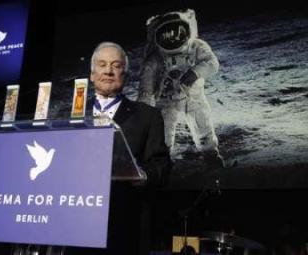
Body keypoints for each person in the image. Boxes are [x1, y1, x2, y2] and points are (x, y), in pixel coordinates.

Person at [67, 42, 171, 255]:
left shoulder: (147, 116)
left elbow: (161, 165)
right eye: (102, 65)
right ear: (92, 75)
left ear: (125, 74)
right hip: (74, 224)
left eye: (116, 65)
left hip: (121, 227)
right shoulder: (68, 115)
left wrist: (142, 174)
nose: (108, 71)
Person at [137, 9, 224, 170]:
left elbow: (212, 63)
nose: (173, 38)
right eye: (167, 35)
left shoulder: (196, 46)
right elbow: (146, 88)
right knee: (163, 133)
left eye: (177, 32)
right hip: (165, 101)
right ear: (157, 37)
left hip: (193, 97)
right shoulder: (155, 58)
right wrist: (144, 108)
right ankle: (163, 160)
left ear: (187, 30)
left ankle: (210, 154)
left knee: (202, 124)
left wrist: (195, 72)